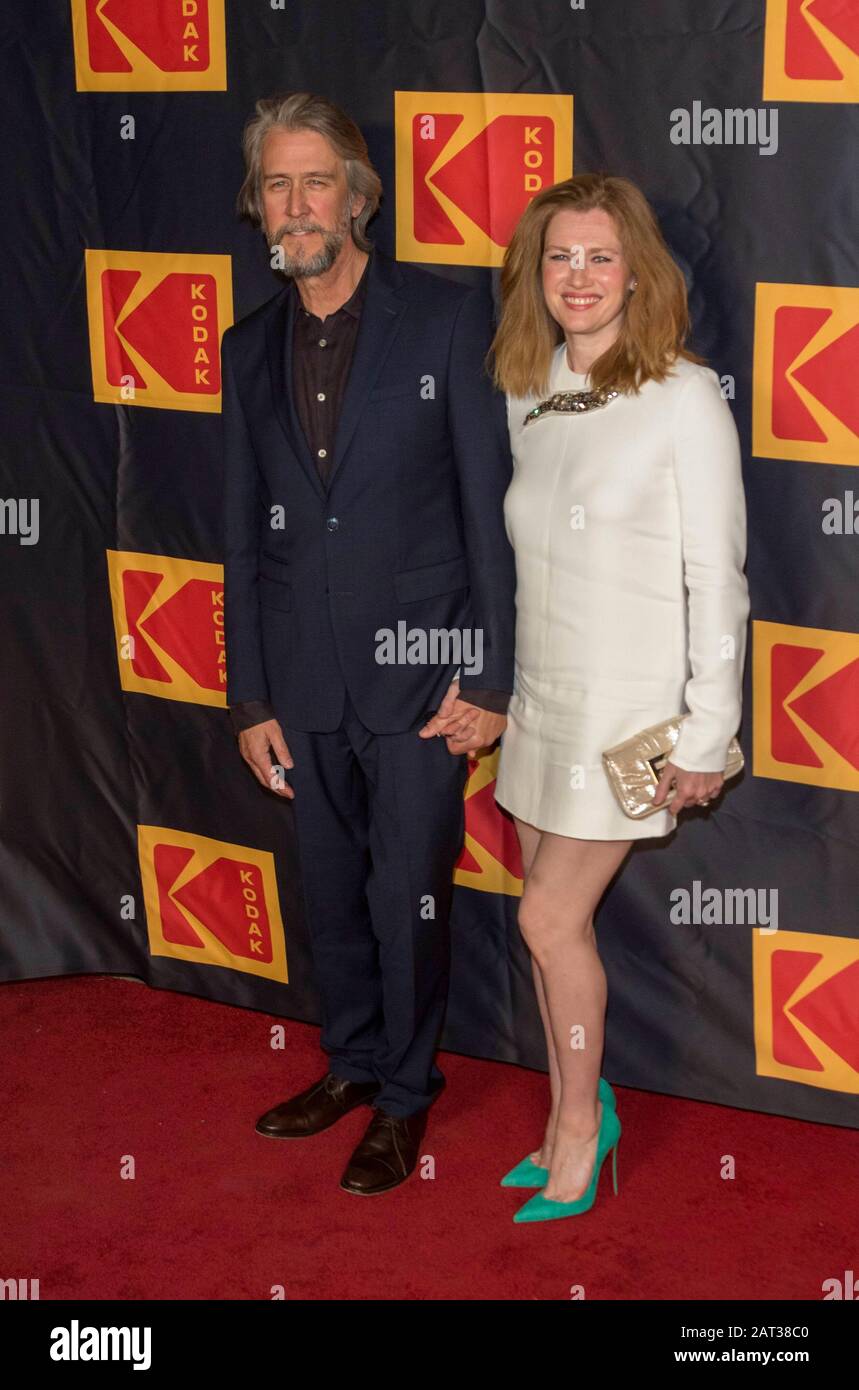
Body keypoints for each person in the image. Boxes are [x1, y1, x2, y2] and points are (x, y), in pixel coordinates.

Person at [221, 93, 516, 1195]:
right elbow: (241, 538)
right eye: (276, 187)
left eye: (317, 182)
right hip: (301, 679)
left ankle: (404, 1093)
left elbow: (489, 514)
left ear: (359, 196)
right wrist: (250, 699)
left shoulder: (444, 319)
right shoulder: (245, 348)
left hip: (424, 679)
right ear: (257, 209)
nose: (297, 206)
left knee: (409, 897)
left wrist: (489, 677)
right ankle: (347, 1064)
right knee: (329, 890)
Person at [474, 173, 750, 1223]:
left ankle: (585, 1128)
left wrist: (707, 731)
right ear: (533, 274)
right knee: (550, 930)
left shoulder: (682, 395)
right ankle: (561, 1119)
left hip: (635, 720)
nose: (577, 277)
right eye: (558, 256)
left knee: (548, 918)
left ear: (636, 271)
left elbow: (714, 579)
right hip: (545, 706)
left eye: (597, 256)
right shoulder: (527, 386)